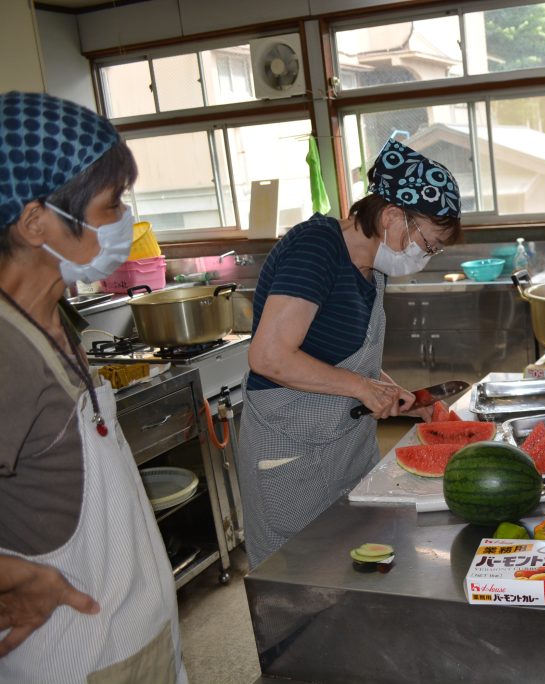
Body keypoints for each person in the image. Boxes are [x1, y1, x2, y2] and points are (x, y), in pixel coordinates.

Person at [0, 92, 185, 681]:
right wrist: (16, 578)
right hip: (80, 656)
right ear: (35, 223)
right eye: (111, 205)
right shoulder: (5, 350)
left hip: (133, 638)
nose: (124, 220)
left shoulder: (52, 318)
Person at [238, 138, 462, 568]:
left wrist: (400, 397)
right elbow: (269, 357)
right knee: (301, 577)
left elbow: (349, 362)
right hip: (293, 451)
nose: (425, 257)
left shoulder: (373, 265)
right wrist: (362, 388)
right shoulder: (315, 249)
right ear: (393, 216)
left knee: (355, 569)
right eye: (428, 244)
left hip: (346, 449)